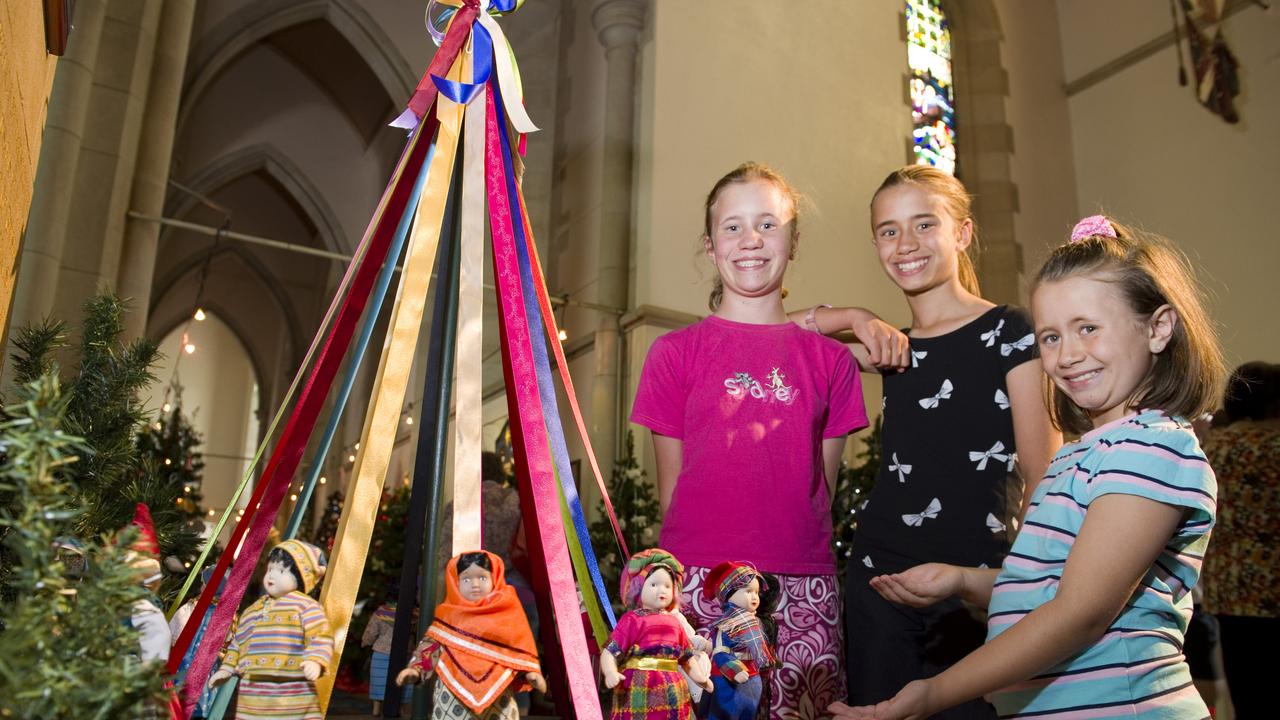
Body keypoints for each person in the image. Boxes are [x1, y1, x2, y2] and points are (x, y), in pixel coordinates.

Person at [830, 215, 1226, 719]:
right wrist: (962, 581)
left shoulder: (1152, 451)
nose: (1068, 355)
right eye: (1051, 337)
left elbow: (1078, 613)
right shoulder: (1079, 455)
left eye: (1087, 328)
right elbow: (1053, 583)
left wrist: (931, 693)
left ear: (1158, 328)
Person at [631, 162, 890, 718]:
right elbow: (671, 488)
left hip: (802, 584)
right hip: (696, 582)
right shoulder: (673, 354)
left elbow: (818, 484)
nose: (751, 240)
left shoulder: (831, 362)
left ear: (793, 242)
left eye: (769, 225)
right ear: (710, 245)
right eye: (733, 226)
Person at [803, 166, 1059, 717]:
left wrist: (1018, 585)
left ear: (962, 233)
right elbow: (769, 337)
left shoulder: (1010, 331)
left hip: (972, 584)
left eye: (924, 224)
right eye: (889, 230)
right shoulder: (889, 347)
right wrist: (853, 316)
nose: (906, 244)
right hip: (880, 578)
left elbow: (1045, 477)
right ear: (875, 243)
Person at [1199, 360, 1280, 717]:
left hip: (1227, 594)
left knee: (1248, 699)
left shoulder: (1211, 448)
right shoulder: (1274, 446)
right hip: (1272, 592)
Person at [396, 551, 546, 720]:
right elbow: (432, 645)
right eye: (466, 579)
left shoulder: (508, 614)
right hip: (452, 696)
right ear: (455, 582)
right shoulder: (448, 616)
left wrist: (529, 672)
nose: (475, 584)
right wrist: (416, 669)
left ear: (495, 579)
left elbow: (518, 650)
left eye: (482, 578)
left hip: (497, 696)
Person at [210, 539, 334, 720]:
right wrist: (226, 669)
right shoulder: (253, 610)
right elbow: (238, 642)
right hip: (253, 689)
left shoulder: (306, 607)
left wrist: (315, 660)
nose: (271, 576)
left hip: (290, 686)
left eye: (281, 571)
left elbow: (320, 635)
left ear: (302, 577)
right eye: (270, 569)